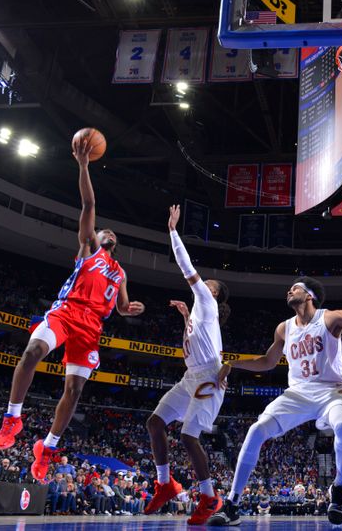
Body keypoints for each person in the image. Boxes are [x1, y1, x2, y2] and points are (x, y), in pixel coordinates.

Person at [0, 138, 145, 480]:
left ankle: (47, 447)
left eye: (110, 233)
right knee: (33, 349)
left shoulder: (120, 272)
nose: (105, 233)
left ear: (115, 243)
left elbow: (120, 307)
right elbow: (89, 202)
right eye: (102, 230)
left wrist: (130, 308)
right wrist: (83, 166)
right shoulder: (89, 247)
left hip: (92, 327)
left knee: (74, 391)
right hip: (66, 312)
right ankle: (12, 417)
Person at [208, 276, 342, 526]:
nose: (289, 290)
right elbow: (267, 361)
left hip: (331, 391)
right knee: (255, 430)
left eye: (295, 287)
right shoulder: (284, 328)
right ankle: (232, 504)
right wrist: (232, 363)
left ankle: (339, 490)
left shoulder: (331, 317)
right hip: (297, 394)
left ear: (309, 296)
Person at [143, 205, 230, 525]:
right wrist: (184, 317)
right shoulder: (197, 313)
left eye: (210, 284)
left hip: (208, 376)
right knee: (155, 423)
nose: (204, 284)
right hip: (191, 376)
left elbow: (185, 265)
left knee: (188, 437)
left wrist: (173, 230)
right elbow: (192, 346)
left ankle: (209, 496)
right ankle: (165, 484)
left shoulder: (207, 301)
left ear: (215, 295)